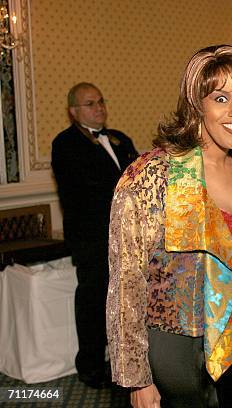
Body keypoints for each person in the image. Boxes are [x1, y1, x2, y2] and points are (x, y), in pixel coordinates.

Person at [106, 45, 232, 408]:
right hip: (180, 347)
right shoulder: (153, 175)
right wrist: (138, 378)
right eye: (221, 97)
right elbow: (126, 283)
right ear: (197, 105)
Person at [51, 82, 138, 388]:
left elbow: (137, 176)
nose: (99, 108)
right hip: (91, 237)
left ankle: (122, 361)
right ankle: (89, 365)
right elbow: (85, 188)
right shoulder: (65, 144)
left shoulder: (119, 138)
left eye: (101, 101)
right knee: (93, 300)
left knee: (124, 300)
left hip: (125, 235)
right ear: (74, 111)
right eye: (90, 104)